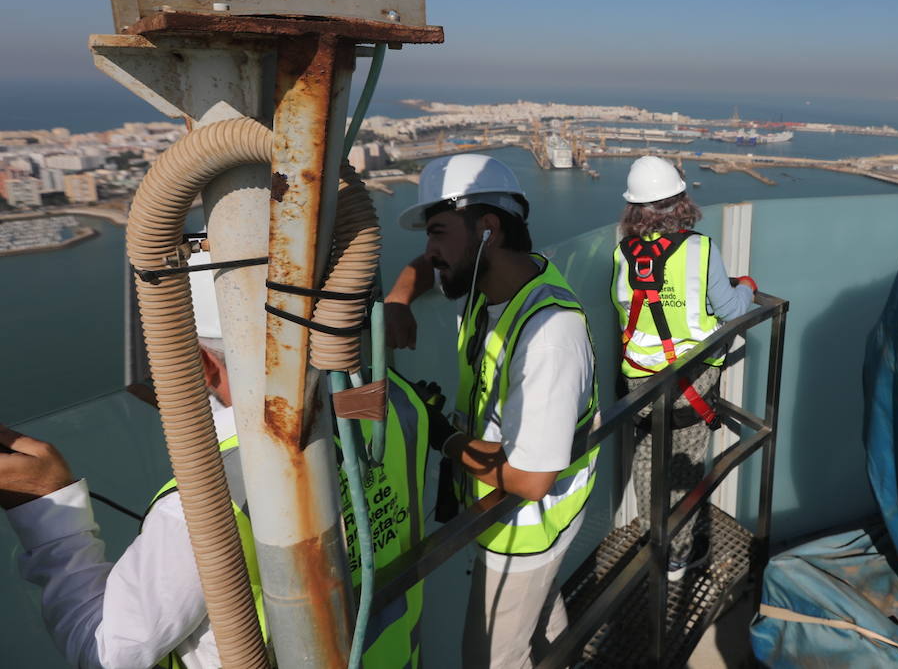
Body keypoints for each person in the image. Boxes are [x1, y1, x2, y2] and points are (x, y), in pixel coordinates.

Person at [0, 252, 432, 668]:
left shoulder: (207, 504)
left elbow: (108, 653)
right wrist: (201, 405)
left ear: (203, 364)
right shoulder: (394, 402)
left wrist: (47, 506)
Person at [385, 153, 598, 669]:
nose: (429, 251)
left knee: (489, 661)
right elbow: (422, 269)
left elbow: (529, 480)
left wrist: (443, 438)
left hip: (525, 525)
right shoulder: (492, 284)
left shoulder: (549, 333)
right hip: (517, 514)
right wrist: (397, 300)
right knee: (543, 625)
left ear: (487, 229)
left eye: (438, 233)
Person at [612, 156, 756, 581]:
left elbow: (624, 308)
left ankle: (649, 535)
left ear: (635, 209)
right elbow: (729, 311)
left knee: (646, 450)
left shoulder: (622, 252)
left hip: (638, 373)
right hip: (689, 374)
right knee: (684, 462)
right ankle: (675, 556)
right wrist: (746, 288)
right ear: (681, 201)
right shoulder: (700, 248)